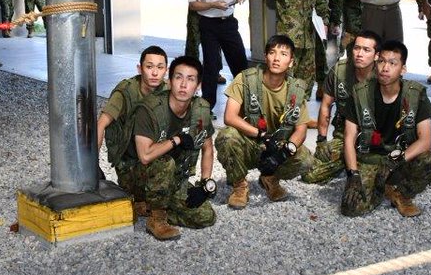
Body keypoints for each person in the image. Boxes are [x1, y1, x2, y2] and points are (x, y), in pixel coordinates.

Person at [117, 56, 216, 240]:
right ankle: (156, 218)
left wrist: (205, 183)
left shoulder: (201, 110)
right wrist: (176, 140)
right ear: (169, 82)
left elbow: (208, 147)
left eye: (190, 79)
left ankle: (148, 206)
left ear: (198, 86)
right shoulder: (150, 109)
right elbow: (145, 156)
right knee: (164, 162)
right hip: (136, 175)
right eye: (178, 77)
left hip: (173, 179)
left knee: (206, 216)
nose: (183, 85)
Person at [340, 40, 431, 217]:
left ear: (403, 69)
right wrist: (353, 174)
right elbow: (349, 138)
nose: (385, 68)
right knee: (351, 208)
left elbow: (426, 140)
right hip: (370, 160)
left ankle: (401, 194)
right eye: (381, 61)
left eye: (392, 63)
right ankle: (382, 187)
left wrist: (394, 161)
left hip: (400, 161)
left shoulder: (415, 95)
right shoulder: (359, 94)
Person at [215, 34, 313, 209]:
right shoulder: (246, 79)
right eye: (272, 53)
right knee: (226, 136)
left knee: (305, 159)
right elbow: (229, 116)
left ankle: (270, 178)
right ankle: (239, 186)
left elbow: (301, 129)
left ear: (291, 62)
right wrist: (260, 135)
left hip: (276, 146)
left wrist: (284, 153)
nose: (277, 58)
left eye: (283, 54)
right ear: (266, 57)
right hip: (250, 142)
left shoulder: (296, 90)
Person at [302, 30, 381, 185]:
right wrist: (321, 141)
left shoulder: (384, 75)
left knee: (374, 180)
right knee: (310, 175)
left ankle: (360, 164)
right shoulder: (339, 71)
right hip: (344, 135)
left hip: (376, 139)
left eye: (366, 50)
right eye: (357, 48)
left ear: (376, 55)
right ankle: (348, 161)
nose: (359, 54)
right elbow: (326, 105)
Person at [187, 0, 249, 106]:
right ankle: (207, 105)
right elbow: (193, 5)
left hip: (228, 24)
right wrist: (212, 5)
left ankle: (247, 102)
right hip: (208, 25)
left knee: (239, 61)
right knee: (211, 65)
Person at [97, 45, 169, 178]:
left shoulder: (169, 90)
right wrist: (92, 165)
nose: (155, 73)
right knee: (165, 167)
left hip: (156, 152)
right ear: (139, 68)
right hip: (129, 162)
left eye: (160, 67)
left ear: (166, 70)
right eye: (149, 67)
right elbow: (101, 124)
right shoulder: (126, 92)